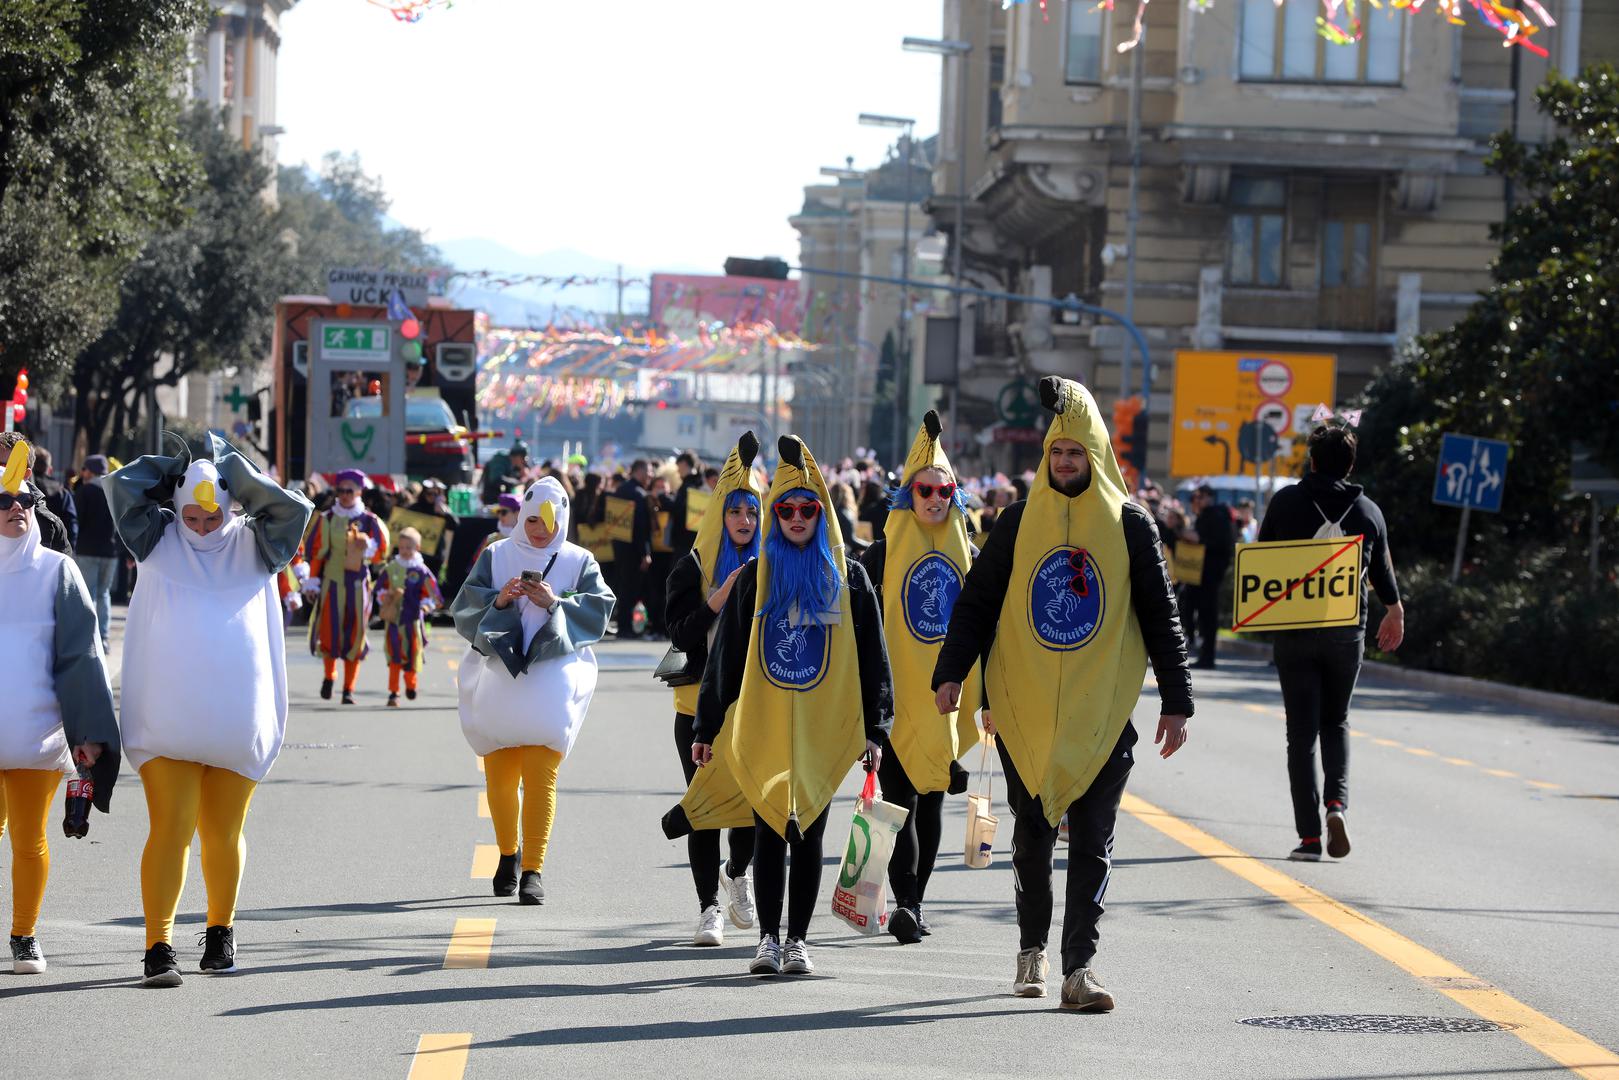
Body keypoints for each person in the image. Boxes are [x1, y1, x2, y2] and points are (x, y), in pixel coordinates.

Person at [932, 377, 1192, 1011]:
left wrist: (1177, 699)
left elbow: (1161, 614)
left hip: (1100, 713)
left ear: (1096, 456)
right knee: (1032, 838)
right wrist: (951, 672)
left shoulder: (1132, 525)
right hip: (1023, 712)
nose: (1067, 463)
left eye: (1077, 453)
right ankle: (1031, 951)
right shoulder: (1019, 521)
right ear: (1047, 457)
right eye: (1057, 453)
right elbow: (978, 602)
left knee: (1094, 841)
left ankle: (1080, 967)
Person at [666, 435, 893, 979]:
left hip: (823, 728)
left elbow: (873, 658)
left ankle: (797, 940)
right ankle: (768, 939)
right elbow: (727, 657)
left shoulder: (850, 578)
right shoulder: (756, 579)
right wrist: (708, 724)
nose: (794, 517)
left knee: (809, 832)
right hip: (764, 724)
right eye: (784, 509)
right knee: (769, 828)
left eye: (806, 509)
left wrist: (876, 730)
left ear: (822, 514)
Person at [106, 433, 313, 987]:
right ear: (177, 506)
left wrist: (231, 469)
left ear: (231, 505)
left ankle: (221, 931)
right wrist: (180, 466)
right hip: (164, 726)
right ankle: (158, 945)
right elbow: (121, 486)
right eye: (192, 515)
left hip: (234, 726)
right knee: (170, 829)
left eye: (212, 514)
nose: (201, 526)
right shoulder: (155, 537)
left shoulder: (258, 543)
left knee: (222, 833)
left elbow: (294, 509)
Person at [452, 479, 615, 905]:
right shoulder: (497, 554)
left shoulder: (580, 560)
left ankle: (532, 869)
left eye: (547, 521)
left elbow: (599, 610)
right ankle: (508, 854)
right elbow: (466, 606)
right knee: (501, 780)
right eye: (531, 519)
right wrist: (501, 602)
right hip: (499, 680)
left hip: (550, 681)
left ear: (561, 519)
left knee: (541, 777)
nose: (539, 529)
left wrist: (554, 603)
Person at [857, 412, 981, 944]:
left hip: (945, 702)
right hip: (893, 703)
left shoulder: (971, 558)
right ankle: (905, 899)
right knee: (898, 803)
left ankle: (915, 901)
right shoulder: (880, 556)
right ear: (908, 495)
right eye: (924, 490)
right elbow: (860, 634)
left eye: (943, 491)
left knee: (930, 803)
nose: (934, 499)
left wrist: (991, 699)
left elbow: (989, 631)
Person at [1257, 424, 1403, 863]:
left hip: (1295, 632)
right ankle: (1336, 806)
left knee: (1300, 735)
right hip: (1346, 632)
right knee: (1335, 723)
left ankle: (1309, 839)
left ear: (1312, 460)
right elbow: (1381, 573)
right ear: (1351, 464)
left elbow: (1261, 561)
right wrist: (1395, 610)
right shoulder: (1368, 512)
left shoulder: (1286, 502)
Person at [0, 440, 120, 975]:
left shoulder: (58, 572)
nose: (16, 509)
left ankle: (24, 934)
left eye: (24, 499)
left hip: (35, 739)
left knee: (29, 840)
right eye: (2, 502)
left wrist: (89, 731)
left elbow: (82, 658)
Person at [662, 433, 761, 947]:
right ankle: (707, 909)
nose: (743, 520)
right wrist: (716, 601)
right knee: (702, 806)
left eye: (751, 511)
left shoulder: (776, 564)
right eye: (734, 511)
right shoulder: (692, 568)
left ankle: (738, 873)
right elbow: (677, 632)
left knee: (748, 804)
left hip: (757, 707)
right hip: (696, 707)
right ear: (718, 515)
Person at [301, 469, 389, 704]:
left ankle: (348, 689)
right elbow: (316, 553)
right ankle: (329, 677)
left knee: (355, 634)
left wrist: (366, 545)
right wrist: (313, 581)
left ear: (359, 492)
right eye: (340, 491)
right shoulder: (327, 518)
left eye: (349, 491)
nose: (345, 495)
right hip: (331, 582)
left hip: (358, 585)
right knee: (329, 631)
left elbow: (381, 553)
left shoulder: (370, 521)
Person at [375, 526, 444, 708]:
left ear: (417, 548)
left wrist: (427, 604)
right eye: (402, 547)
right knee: (394, 656)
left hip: (413, 621)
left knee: (412, 656)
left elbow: (433, 595)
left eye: (409, 547)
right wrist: (385, 596)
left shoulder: (421, 571)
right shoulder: (391, 568)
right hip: (393, 620)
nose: (405, 551)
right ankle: (393, 692)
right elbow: (379, 588)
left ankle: (411, 686)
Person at [1181, 484, 1235, 669]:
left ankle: (1208, 656)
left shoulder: (1216, 514)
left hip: (1210, 571)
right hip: (1203, 571)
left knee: (1208, 614)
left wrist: (1199, 539)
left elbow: (1217, 542)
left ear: (1208, 497)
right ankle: (1204, 653)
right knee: (1196, 610)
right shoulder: (1207, 514)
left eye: (1200, 497)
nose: (1197, 501)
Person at [72, 453, 121, 648]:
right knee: (104, 593)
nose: (82, 473)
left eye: (84, 469)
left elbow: (77, 520)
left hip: (87, 551)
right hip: (110, 552)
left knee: (88, 594)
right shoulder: (114, 492)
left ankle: (88, 638)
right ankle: (104, 637)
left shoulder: (84, 492)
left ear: (90, 472)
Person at [607, 460, 654, 639]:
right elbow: (640, 527)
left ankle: (622, 625)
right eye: (648, 471)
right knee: (631, 588)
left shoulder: (621, 490)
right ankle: (626, 628)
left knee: (623, 587)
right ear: (639, 471)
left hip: (620, 547)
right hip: (634, 550)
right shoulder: (638, 494)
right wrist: (645, 552)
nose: (650, 476)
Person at [29, 446, 77, 550]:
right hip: (56, 548)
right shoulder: (62, 492)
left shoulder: (23, 488)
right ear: (50, 469)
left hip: (29, 548)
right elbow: (71, 524)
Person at [480, 440, 530, 505]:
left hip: (502, 501)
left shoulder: (513, 465)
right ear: (518, 456)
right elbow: (496, 479)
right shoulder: (500, 459)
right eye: (522, 459)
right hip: (491, 500)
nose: (523, 462)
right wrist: (516, 482)